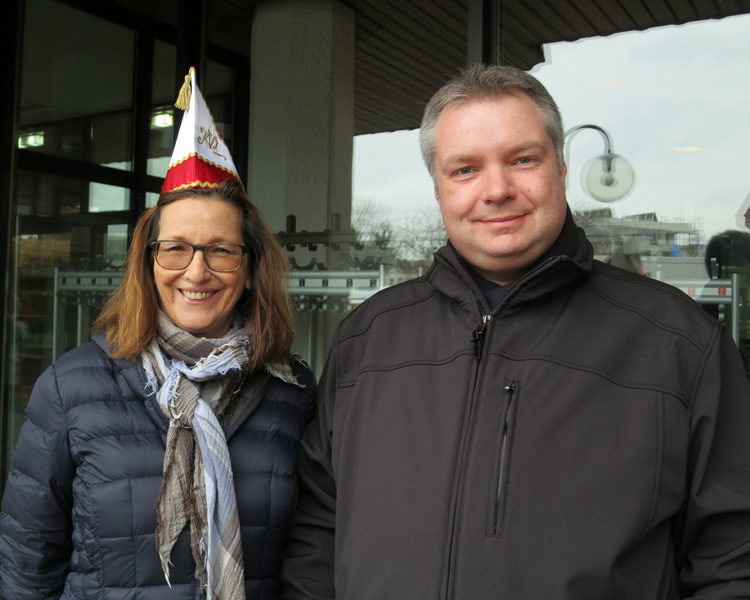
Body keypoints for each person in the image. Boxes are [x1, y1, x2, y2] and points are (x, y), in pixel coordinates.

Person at [280, 65, 750, 598]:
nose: (497, 190)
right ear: (438, 188)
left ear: (561, 167)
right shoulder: (368, 338)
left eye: (523, 160)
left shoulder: (678, 342)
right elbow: (317, 534)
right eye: (465, 169)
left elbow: (733, 561)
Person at [0, 69, 314, 599]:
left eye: (221, 250)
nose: (197, 272)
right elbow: (28, 557)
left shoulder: (293, 389)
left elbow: (312, 552)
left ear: (250, 268)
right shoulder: (70, 386)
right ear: (148, 263)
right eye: (176, 249)